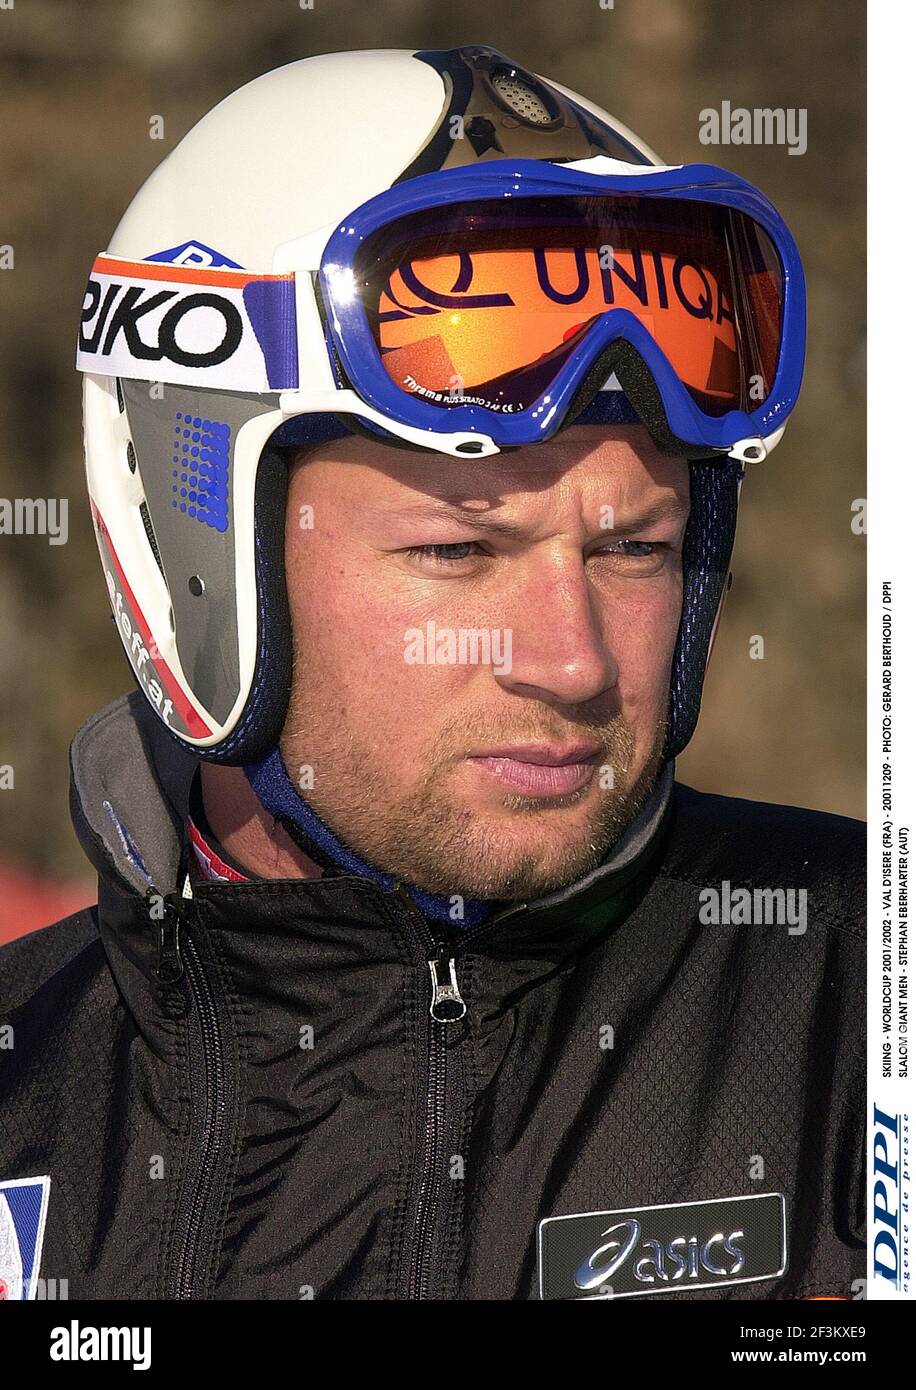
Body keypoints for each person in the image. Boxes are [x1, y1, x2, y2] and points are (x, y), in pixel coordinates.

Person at [0, 45, 862, 1302]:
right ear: (199, 541)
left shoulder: (866, 1008)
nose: (570, 660)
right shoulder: (28, 1077)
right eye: (458, 550)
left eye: (636, 549)